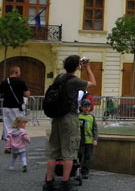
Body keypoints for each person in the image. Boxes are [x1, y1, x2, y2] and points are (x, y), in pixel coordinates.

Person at [43, 55, 96, 191]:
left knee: (54, 151)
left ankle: (48, 181)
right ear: (77, 66)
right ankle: (65, 182)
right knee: (69, 151)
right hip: (69, 117)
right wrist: (87, 68)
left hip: (57, 117)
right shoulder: (74, 81)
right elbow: (93, 83)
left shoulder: (59, 77)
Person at [0, 66, 30, 152]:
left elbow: (1, 92)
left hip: (6, 107)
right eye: (19, 72)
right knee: (20, 126)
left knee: (7, 126)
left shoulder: (5, 82)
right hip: (17, 108)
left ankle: (8, 146)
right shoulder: (21, 82)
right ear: (16, 72)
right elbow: (27, 94)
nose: (20, 73)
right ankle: (19, 145)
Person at [78, 99, 97, 179]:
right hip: (80, 140)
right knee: (79, 155)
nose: (87, 108)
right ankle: (77, 170)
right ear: (81, 107)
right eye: (85, 106)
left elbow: (95, 129)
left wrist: (95, 139)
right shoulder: (78, 116)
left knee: (87, 157)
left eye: (88, 106)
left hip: (89, 141)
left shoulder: (91, 117)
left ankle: (85, 172)